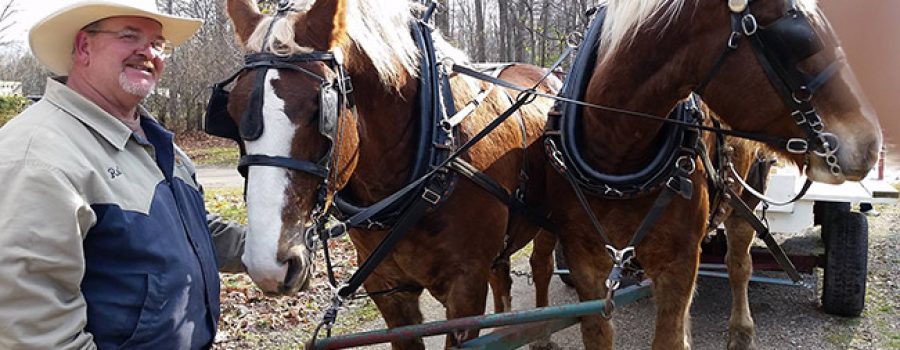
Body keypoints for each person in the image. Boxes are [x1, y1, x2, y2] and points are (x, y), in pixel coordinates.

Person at [0, 0, 244, 349]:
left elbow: (190, 227)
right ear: (84, 46)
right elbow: (32, 329)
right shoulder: (38, 154)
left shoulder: (153, 139)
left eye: (158, 44)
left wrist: (259, 252)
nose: (148, 52)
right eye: (130, 36)